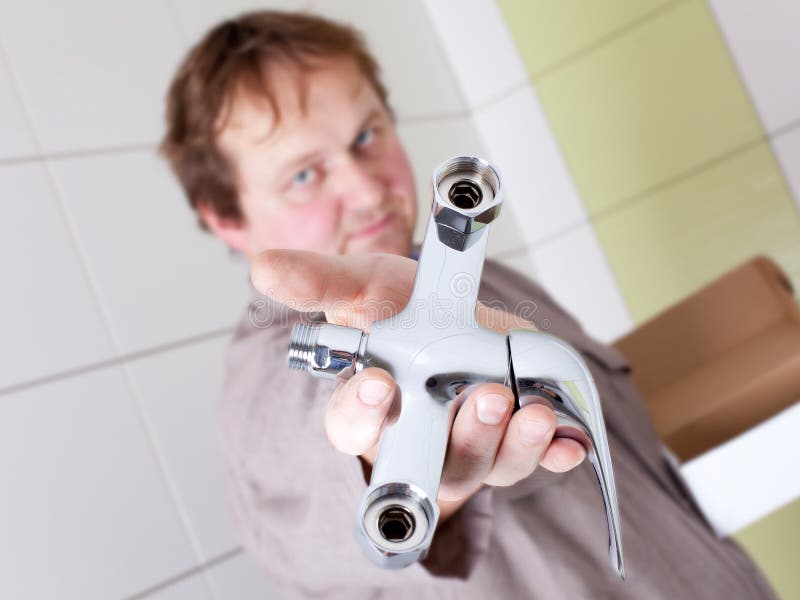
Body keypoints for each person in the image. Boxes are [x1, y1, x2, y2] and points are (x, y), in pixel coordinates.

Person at [160, 10, 777, 599]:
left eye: (367, 136)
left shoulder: (469, 275)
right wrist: (396, 448)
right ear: (226, 218)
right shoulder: (263, 390)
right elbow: (323, 453)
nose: (367, 188)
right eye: (304, 175)